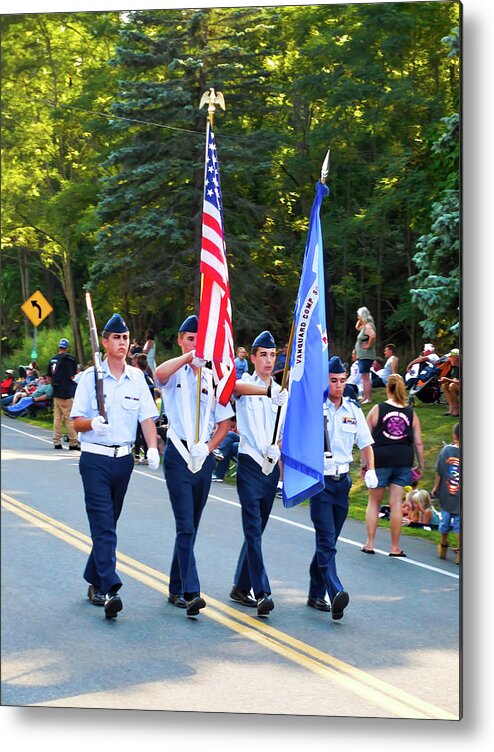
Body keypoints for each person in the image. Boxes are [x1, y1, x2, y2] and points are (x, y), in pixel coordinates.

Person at [71, 313, 159, 619]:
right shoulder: (89, 378)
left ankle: (94, 578)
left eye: (125, 338)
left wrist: (151, 447)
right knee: (103, 525)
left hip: (123, 461)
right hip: (94, 458)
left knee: (110, 523)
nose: (121, 343)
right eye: (116, 338)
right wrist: (92, 422)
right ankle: (109, 587)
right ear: (105, 342)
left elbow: (147, 417)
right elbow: (76, 422)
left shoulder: (137, 378)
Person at [155, 314, 234, 618]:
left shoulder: (213, 377)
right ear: (180, 340)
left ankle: (176, 586)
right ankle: (191, 592)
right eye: (190, 339)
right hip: (177, 454)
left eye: (200, 341)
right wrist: (190, 356)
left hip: (201, 457)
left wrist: (209, 447)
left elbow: (225, 422)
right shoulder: (177, 373)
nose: (195, 345)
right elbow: (159, 374)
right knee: (185, 526)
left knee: (192, 528)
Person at [307, 356, 376, 621]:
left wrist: (370, 468)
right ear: (325, 381)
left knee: (330, 540)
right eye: (333, 380)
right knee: (326, 540)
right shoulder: (315, 408)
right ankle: (334, 591)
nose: (338, 385)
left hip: (342, 483)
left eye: (342, 380)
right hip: (321, 483)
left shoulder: (352, 409)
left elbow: (366, 443)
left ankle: (314, 594)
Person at [229, 330, 288, 617]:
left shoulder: (281, 392)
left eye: (272, 355)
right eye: (262, 354)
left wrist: (278, 449)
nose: (268, 360)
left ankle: (240, 587)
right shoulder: (245, 384)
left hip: (269, 467)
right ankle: (261, 591)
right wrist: (267, 391)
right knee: (252, 528)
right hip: (249, 463)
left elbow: (282, 433)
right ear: (252, 358)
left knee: (258, 530)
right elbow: (233, 390)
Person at [362, 374, 424, 557]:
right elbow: (418, 443)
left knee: (374, 502)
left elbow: (365, 438)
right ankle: (395, 547)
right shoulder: (411, 413)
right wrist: (420, 465)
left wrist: (364, 464)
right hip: (402, 460)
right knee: (396, 503)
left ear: (388, 389)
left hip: (380, 459)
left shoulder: (377, 409)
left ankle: (370, 543)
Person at [432, 422, 460, 564]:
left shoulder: (446, 451)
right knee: (459, 526)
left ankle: (443, 545)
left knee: (445, 523)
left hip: (447, 495)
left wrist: (435, 488)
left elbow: (439, 471)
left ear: (454, 436)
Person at [47, 337, 80, 451]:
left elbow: (48, 376)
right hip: (66, 392)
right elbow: (72, 376)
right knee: (69, 418)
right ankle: (73, 442)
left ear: (59, 347)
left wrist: (53, 386)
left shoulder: (53, 360)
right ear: (67, 348)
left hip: (56, 391)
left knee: (57, 418)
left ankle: (56, 441)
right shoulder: (68, 360)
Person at [132, 353, 157, 464]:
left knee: (138, 432)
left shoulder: (138, 378)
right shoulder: (149, 378)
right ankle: (147, 455)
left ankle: (137, 455)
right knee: (146, 432)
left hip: (139, 408)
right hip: (149, 408)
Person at [355, 306, 376, 404]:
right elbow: (357, 327)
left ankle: (368, 398)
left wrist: (368, 345)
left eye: (358, 315)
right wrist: (360, 320)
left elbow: (372, 335)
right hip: (363, 355)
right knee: (364, 377)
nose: (357, 317)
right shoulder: (365, 325)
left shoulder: (368, 326)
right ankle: (365, 397)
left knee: (365, 377)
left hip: (366, 355)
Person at [212, 415, 239, 482]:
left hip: (243, 442)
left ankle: (219, 451)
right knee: (229, 446)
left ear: (235, 421)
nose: (229, 424)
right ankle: (218, 476)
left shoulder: (240, 425)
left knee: (230, 434)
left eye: (230, 422)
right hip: (234, 445)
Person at [439, 349, 460, 416]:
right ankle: (451, 409)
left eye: (450, 357)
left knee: (452, 385)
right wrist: (446, 380)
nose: (449, 359)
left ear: (455, 358)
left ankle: (456, 411)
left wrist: (448, 380)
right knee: (445, 385)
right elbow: (455, 379)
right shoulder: (456, 367)